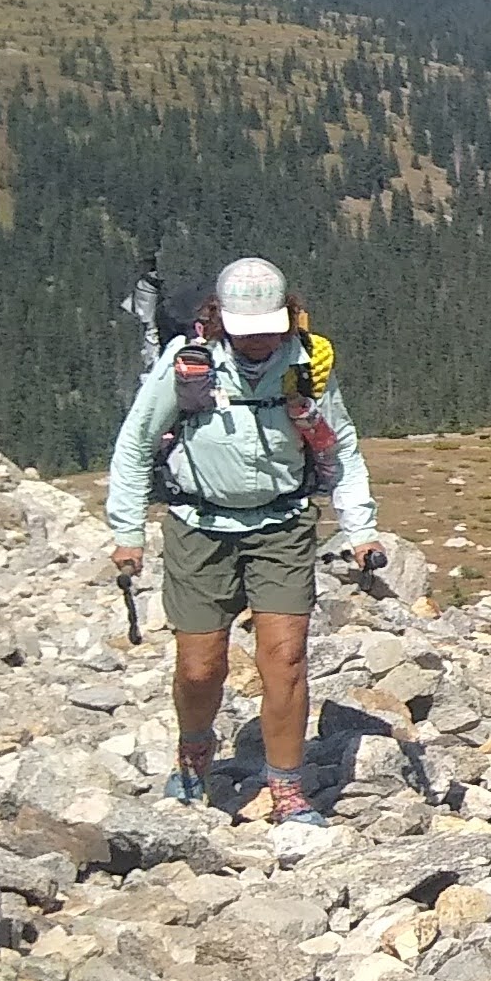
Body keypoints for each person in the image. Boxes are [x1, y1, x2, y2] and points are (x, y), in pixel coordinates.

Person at [103, 256, 379, 831]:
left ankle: (288, 791)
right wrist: (127, 532)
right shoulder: (189, 365)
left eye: (268, 330)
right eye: (246, 330)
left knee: (286, 659)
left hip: (282, 525)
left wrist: (360, 530)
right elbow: (136, 442)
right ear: (221, 320)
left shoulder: (307, 367)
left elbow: (342, 447)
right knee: (200, 667)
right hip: (198, 526)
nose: (257, 341)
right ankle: (194, 752)